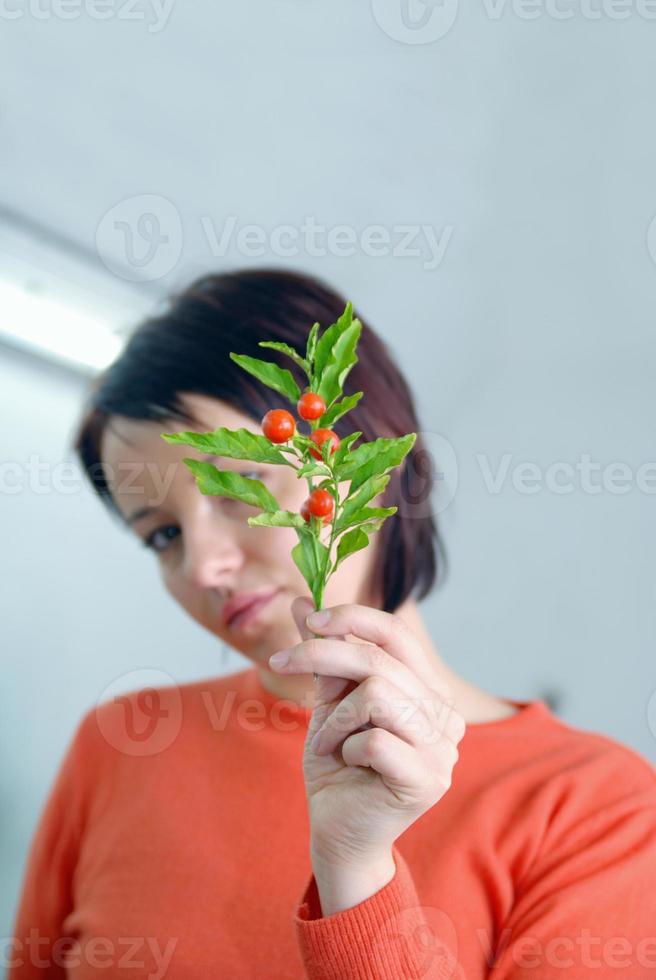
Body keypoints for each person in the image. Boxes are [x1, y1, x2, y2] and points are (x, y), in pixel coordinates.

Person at [10, 269, 656, 979]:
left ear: (371, 459)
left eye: (242, 485)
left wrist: (356, 871)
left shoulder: (596, 807)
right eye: (163, 535)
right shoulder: (120, 747)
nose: (203, 566)